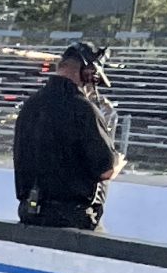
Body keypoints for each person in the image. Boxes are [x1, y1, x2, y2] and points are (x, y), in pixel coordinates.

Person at [13, 43, 122, 230]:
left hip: (30, 215)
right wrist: (117, 164)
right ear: (88, 72)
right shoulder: (84, 109)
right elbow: (105, 169)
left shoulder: (29, 106)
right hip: (72, 220)